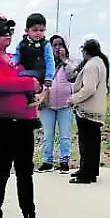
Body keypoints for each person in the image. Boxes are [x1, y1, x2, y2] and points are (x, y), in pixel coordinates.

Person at [0, 14, 49, 218]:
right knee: (1, 170)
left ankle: (29, 217)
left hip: (24, 122)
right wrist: (29, 83)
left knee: (25, 171)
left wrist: (36, 83)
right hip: (1, 122)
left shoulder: (15, 58)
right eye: (2, 32)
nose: (8, 35)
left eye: (10, 32)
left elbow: (36, 79)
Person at [69, 35, 110, 185]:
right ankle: (90, 171)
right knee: (93, 143)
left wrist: (73, 99)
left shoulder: (91, 65)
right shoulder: (100, 62)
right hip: (96, 110)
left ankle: (86, 174)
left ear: (85, 51)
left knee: (86, 143)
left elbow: (89, 89)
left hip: (87, 110)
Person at [37, 35, 76, 174]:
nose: (58, 48)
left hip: (65, 105)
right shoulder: (45, 63)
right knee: (48, 135)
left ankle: (64, 161)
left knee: (65, 135)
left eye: (60, 45)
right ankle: (47, 162)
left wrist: (64, 60)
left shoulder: (69, 63)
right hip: (47, 105)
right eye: (55, 45)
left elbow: (73, 76)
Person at [13, 13, 53, 108]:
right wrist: (13, 61)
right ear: (27, 31)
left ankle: (32, 98)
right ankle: (30, 98)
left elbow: (50, 61)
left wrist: (49, 77)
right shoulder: (22, 44)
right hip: (27, 71)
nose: (38, 33)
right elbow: (17, 55)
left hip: (40, 71)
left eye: (41, 30)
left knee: (22, 76)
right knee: (20, 78)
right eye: (35, 30)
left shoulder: (45, 45)